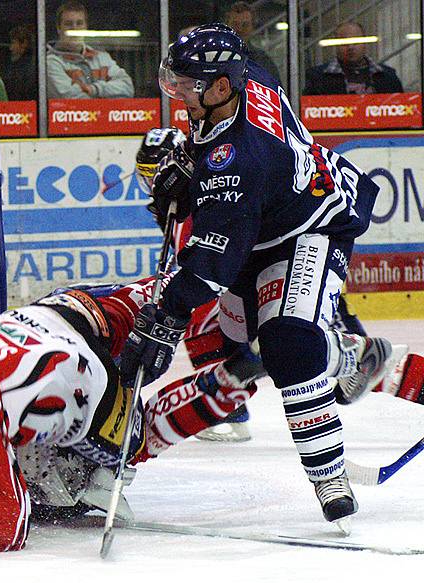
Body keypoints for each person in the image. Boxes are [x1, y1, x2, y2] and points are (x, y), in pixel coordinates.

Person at [121, 24, 391, 532]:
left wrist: (164, 317)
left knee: (288, 344)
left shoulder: (241, 159)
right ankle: (349, 353)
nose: (177, 92)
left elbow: (211, 268)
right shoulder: (244, 80)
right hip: (265, 223)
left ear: (221, 85)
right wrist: (190, 167)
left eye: (186, 83)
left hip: (310, 227)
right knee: (241, 346)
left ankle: (328, 475)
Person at [46, 1, 134, 99]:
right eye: (68, 24)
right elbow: (69, 98)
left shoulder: (101, 57)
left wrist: (94, 89)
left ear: (86, 28)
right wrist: (108, 95)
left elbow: (127, 87)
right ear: (59, 28)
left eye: (79, 23)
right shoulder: (51, 62)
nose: (74, 29)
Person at [304, 21, 403, 95]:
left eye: (356, 41)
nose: (350, 47)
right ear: (335, 45)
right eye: (344, 43)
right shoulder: (318, 78)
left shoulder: (387, 76)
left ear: (364, 43)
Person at [225, 1, 281, 82]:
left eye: (245, 25)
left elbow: (275, 90)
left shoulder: (262, 60)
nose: (240, 29)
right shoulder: (214, 56)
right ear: (227, 26)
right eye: (235, 24)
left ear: (253, 28)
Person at [1, 25, 37, 101]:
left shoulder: (30, 69)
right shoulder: (15, 65)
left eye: (13, 43)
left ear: (24, 44)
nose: (11, 48)